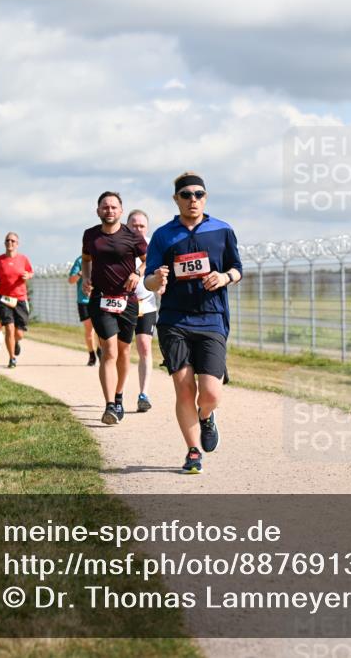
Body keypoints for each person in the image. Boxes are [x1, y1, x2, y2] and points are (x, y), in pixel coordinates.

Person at [144, 172, 242, 474]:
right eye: (186, 195)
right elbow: (148, 280)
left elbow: (237, 268)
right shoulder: (163, 235)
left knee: (210, 393)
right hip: (174, 320)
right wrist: (156, 279)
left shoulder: (222, 231)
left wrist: (224, 277)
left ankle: (207, 416)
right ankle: (192, 451)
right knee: (183, 389)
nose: (193, 199)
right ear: (176, 199)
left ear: (206, 197)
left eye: (198, 194)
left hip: (212, 318)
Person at [81, 191, 148, 425]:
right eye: (105, 207)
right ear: (98, 210)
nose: (109, 210)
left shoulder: (132, 236)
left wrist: (137, 272)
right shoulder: (90, 235)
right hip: (100, 299)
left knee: (124, 351)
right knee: (109, 349)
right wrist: (86, 278)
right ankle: (109, 405)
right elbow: (86, 258)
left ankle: (119, 396)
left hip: (127, 301)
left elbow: (148, 257)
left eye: (113, 207)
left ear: (120, 210)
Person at [127, 210, 162, 412]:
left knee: (144, 347)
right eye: (134, 225)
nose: (138, 229)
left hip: (146, 303)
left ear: (146, 228)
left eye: (141, 226)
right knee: (120, 350)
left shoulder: (153, 246)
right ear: (127, 225)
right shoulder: (121, 243)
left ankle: (144, 393)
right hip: (123, 303)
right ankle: (117, 393)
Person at [0, 232, 33, 368]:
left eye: (13, 241)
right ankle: (12, 358)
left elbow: (30, 272)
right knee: (9, 328)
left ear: (17, 244)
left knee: (19, 333)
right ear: (4, 243)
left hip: (20, 298)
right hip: (4, 299)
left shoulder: (23, 259)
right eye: (8, 240)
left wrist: (28, 275)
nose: (10, 243)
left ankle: (16, 342)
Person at [68, 254, 99, 366]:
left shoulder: (101, 258)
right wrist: (81, 273)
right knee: (89, 329)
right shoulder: (80, 260)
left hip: (98, 299)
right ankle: (92, 354)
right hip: (84, 301)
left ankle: (100, 349)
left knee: (101, 329)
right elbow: (71, 280)